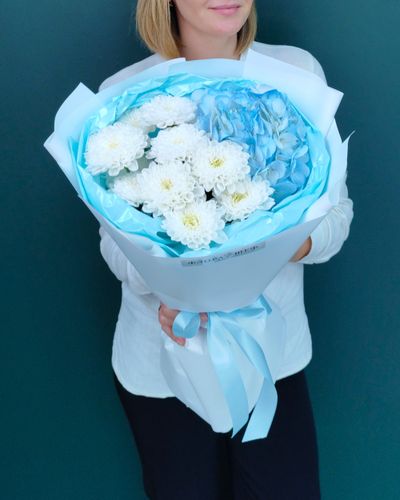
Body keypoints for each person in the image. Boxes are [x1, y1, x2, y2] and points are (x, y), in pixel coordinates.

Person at [98, 1, 354, 498]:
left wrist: (272, 248)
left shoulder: (296, 72)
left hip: (271, 361)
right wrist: (178, 287)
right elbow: (115, 248)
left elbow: (336, 218)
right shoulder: (124, 96)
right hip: (162, 369)